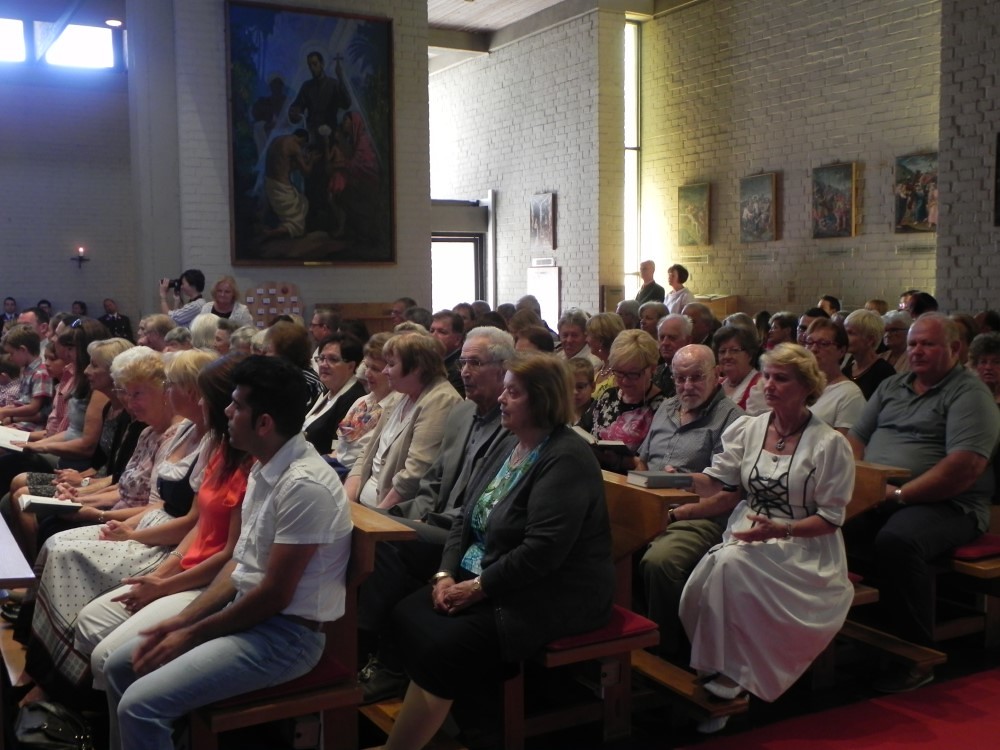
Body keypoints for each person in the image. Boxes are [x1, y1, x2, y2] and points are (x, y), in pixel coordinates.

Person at [103, 355, 353, 750]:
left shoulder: (305, 485)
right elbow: (239, 562)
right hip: (250, 615)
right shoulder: (264, 466)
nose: (226, 412)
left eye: (236, 405)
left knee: (140, 706)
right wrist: (183, 619)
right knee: (120, 666)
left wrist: (191, 633)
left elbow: (274, 595)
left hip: (287, 638)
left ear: (264, 423)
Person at [376, 353, 614, 750]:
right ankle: (444, 723)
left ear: (542, 399)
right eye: (504, 390)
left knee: (443, 644)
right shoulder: (511, 444)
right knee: (407, 613)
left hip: (551, 592)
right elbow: (465, 517)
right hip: (490, 574)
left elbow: (542, 552)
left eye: (513, 392)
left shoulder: (567, 457)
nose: (501, 399)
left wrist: (478, 588)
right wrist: (444, 575)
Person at [676, 343, 855, 729]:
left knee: (729, 566)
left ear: (806, 386)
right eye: (768, 376)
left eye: (781, 378)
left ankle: (732, 681)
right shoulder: (751, 428)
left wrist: (782, 529)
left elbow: (830, 519)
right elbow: (719, 484)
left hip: (804, 547)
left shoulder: (829, 444)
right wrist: (673, 486)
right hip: (749, 535)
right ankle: (719, 670)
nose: (769, 385)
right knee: (696, 590)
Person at [74, 354, 253, 690]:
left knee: (107, 656)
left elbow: (231, 555)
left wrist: (163, 585)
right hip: (183, 564)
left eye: (204, 397)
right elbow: (199, 525)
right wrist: (162, 574)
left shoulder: (249, 464)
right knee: (89, 619)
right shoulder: (220, 450)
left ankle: (102, 708)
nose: (201, 403)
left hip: (208, 581)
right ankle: (83, 699)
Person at [358, 327, 513, 703]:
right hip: (436, 521)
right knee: (366, 530)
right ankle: (363, 645)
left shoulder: (513, 423)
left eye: (476, 363)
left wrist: (419, 524)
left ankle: (376, 655)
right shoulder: (463, 413)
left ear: (503, 369)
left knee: (385, 541)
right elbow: (433, 480)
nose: (465, 371)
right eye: (463, 362)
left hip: (466, 535)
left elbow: (487, 504)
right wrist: (413, 516)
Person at [845, 313, 1000, 691]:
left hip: (950, 504)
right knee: (832, 526)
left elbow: (963, 467)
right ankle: (855, 635)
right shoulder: (892, 386)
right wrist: (861, 485)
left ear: (955, 348)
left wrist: (900, 494)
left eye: (927, 344)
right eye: (912, 343)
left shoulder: (970, 394)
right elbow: (855, 440)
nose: (916, 351)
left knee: (898, 541)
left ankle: (916, 655)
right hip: (883, 493)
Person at [636, 345, 743, 659]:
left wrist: (678, 513)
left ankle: (666, 654)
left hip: (698, 517)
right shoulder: (666, 407)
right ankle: (627, 641)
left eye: (696, 377)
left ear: (716, 375)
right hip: (650, 505)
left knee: (660, 561)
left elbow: (728, 493)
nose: (687, 386)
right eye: (680, 378)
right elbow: (643, 460)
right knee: (605, 543)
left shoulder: (733, 419)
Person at [345, 333, 462, 509]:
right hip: (364, 505)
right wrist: (347, 501)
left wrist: (378, 516)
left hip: (393, 513)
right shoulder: (400, 395)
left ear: (417, 368)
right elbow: (367, 452)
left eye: (391, 364)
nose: (385, 371)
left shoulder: (441, 400)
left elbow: (416, 473)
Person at [590, 329, 664, 472]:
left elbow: (654, 463)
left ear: (653, 368)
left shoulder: (662, 408)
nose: (624, 381)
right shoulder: (608, 396)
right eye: (619, 372)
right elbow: (583, 430)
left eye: (633, 374)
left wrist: (618, 460)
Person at [334, 333, 402, 472]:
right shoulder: (361, 401)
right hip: (337, 467)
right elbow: (340, 448)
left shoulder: (397, 409)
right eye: (367, 366)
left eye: (375, 369)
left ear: (391, 370)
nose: (367, 374)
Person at [302, 333, 367, 455]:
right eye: (321, 358)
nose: (323, 364)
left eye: (333, 359)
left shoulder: (355, 400)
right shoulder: (326, 392)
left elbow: (337, 449)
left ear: (351, 366)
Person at [803, 319, 865, 433]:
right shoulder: (799, 385)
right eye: (810, 342)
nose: (814, 349)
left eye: (823, 344)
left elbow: (843, 442)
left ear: (841, 351)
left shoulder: (850, 394)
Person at [0, 324, 54, 432]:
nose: (10, 358)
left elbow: (33, 408)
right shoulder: (26, 370)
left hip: (31, 426)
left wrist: (6, 412)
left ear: (23, 350)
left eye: (11, 353)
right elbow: (21, 402)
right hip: (19, 422)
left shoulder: (40, 373)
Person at [262, 321, 325, 408]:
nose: (264, 355)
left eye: (268, 351)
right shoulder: (275, 378)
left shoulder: (308, 384)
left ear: (286, 354)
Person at [842, 309, 896, 399]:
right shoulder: (847, 370)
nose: (844, 337)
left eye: (850, 333)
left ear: (870, 340)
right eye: (845, 332)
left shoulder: (884, 373)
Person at [714, 325, 767, 414]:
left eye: (734, 350)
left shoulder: (761, 385)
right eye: (722, 351)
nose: (727, 356)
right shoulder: (717, 384)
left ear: (749, 354)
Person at [586, 312, 626, 398]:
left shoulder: (619, 372)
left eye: (589, 335)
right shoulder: (599, 368)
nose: (586, 340)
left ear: (601, 340)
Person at [652, 313, 692, 397]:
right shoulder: (654, 372)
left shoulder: (695, 375)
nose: (665, 343)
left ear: (688, 340)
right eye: (662, 337)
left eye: (672, 338)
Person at [429, 310, 466, 397]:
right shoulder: (431, 362)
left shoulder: (459, 369)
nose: (433, 336)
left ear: (458, 339)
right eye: (432, 331)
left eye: (442, 332)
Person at [969, 332, 1000, 404]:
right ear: (975, 365)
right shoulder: (968, 395)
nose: (988, 367)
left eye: (996, 362)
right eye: (983, 362)